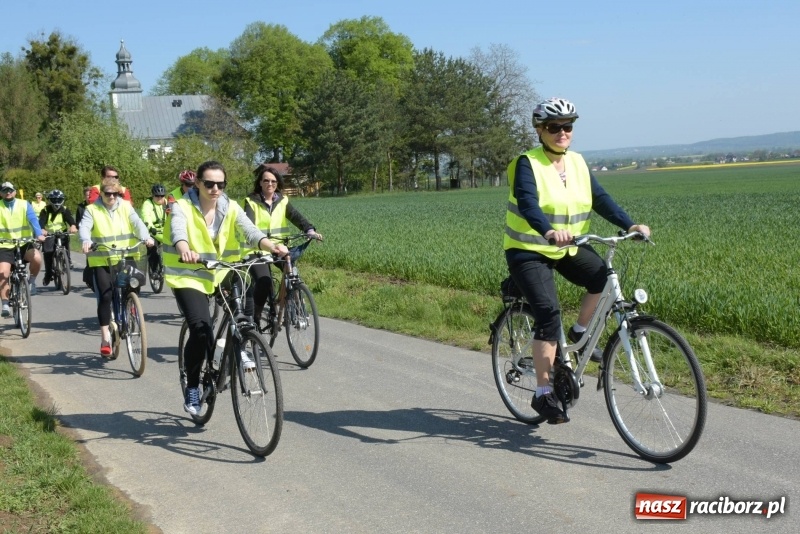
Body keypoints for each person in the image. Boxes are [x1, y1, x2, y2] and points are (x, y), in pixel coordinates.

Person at [504, 97, 650, 424]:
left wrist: (629, 225)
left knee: (601, 277)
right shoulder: (527, 163)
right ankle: (543, 392)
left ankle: (579, 333)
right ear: (540, 130)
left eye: (567, 126)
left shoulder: (578, 163)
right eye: (553, 127)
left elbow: (601, 199)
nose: (562, 132)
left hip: (567, 247)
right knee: (547, 312)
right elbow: (528, 203)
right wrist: (547, 230)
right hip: (528, 249)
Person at [163, 160, 288, 416]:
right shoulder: (182, 207)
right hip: (190, 275)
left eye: (221, 184)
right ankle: (193, 387)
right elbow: (178, 231)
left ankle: (241, 346)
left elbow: (250, 231)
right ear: (198, 183)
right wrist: (184, 249)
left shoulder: (230, 206)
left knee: (246, 304)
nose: (215, 189)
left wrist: (271, 246)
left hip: (222, 271)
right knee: (201, 330)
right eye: (209, 184)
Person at [80, 178, 153, 356]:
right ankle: (105, 338)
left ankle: (130, 309)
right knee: (106, 296)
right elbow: (85, 227)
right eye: (108, 194)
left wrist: (146, 237)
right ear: (102, 193)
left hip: (126, 255)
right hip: (102, 260)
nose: (111, 197)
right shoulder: (92, 209)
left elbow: (137, 223)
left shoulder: (126, 206)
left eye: (115, 194)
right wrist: (86, 240)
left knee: (133, 287)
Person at [242, 163, 321, 326]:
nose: (270, 184)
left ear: (277, 183)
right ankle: (255, 317)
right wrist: (262, 242)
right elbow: (248, 227)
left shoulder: (282, 201)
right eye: (266, 180)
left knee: (293, 274)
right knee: (264, 281)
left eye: (273, 181)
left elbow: (296, 217)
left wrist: (310, 230)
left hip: (279, 248)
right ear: (260, 183)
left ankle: (293, 308)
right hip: (256, 249)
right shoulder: (251, 201)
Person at [0, 181, 46, 315]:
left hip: (23, 243)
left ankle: (31, 282)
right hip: (5, 245)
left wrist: (38, 234)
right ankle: (5, 304)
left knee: (37, 258)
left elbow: (33, 219)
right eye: (4, 190)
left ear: (15, 192)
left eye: (10, 190)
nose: (8, 193)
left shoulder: (24, 204)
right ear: (1, 193)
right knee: (3, 273)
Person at [38, 189, 77, 285]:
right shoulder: (45, 210)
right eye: (54, 200)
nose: (56, 202)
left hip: (61, 233)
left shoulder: (65, 209)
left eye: (59, 200)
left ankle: (67, 261)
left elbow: (70, 219)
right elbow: (41, 221)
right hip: (49, 234)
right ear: (50, 200)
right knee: (48, 253)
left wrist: (73, 226)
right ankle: (48, 273)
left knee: (66, 245)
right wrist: (42, 229)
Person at [140, 184, 167, 274]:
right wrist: (151, 228)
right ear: (153, 195)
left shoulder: (167, 203)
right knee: (153, 248)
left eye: (162, 196)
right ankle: (154, 270)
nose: (160, 198)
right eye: (157, 196)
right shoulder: (147, 204)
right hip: (153, 231)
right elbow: (146, 216)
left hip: (165, 231)